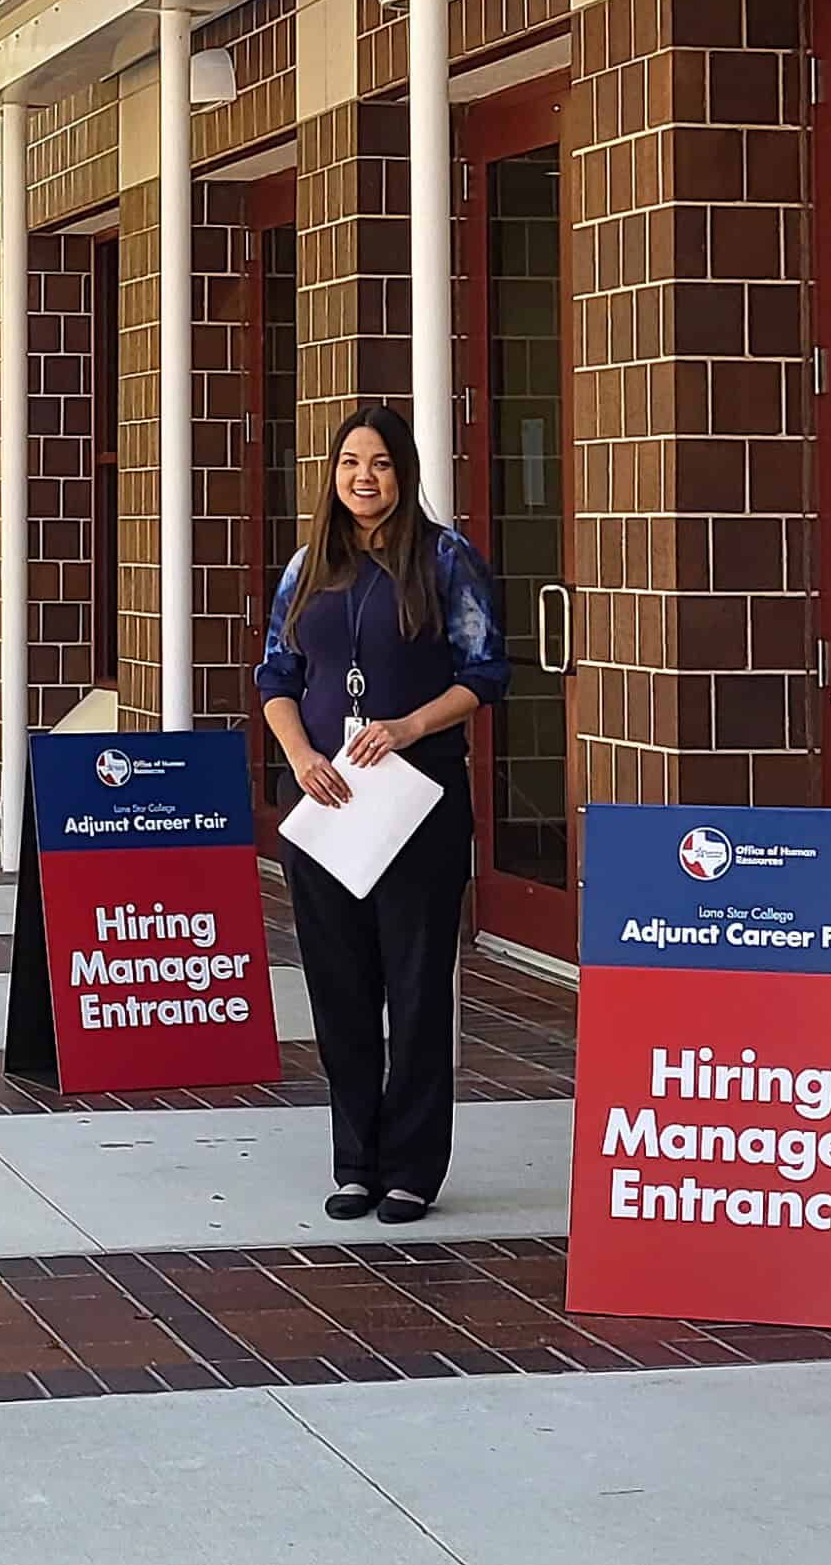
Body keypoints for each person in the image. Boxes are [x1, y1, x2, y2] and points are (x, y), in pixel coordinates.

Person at [255, 404, 508, 1225]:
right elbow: (275, 676)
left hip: (417, 803)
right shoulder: (308, 566)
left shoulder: (444, 558)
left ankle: (410, 1168)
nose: (364, 477)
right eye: (350, 463)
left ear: (405, 473)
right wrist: (299, 757)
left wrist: (409, 726)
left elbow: (485, 671)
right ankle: (354, 1161)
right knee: (340, 987)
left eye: (382, 463)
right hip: (326, 802)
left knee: (417, 983)